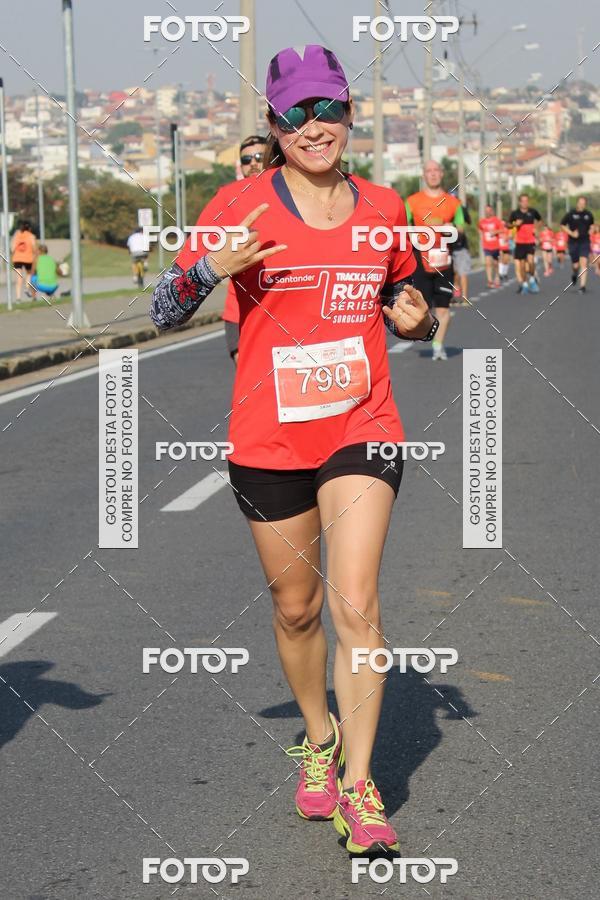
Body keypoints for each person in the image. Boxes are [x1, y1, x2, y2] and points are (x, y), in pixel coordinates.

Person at [150, 44, 438, 855]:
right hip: (269, 437)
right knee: (297, 607)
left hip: (363, 429)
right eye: (295, 115)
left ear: (350, 112)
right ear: (275, 126)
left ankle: (360, 789)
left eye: (328, 110)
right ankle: (319, 735)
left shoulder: (383, 206)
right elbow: (163, 311)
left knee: (355, 605)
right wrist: (212, 266)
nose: (315, 128)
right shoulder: (238, 205)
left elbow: (407, 297)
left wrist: (416, 321)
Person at [406, 160, 464, 360]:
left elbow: (461, 228)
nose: (432, 174)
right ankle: (427, 333)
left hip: (443, 261)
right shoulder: (412, 201)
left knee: (443, 307)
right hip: (419, 261)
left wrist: (449, 228)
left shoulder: (453, 202)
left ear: (441, 174)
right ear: (423, 175)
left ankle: (438, 345)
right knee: (422, 307)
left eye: (436, 170)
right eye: (428, 171)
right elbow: (403, 226)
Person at [223, 135, 268, 364]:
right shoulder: (229, 200)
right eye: (246, 159)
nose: (253, 163)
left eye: (259, 156)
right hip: (239, 311)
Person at [508, 193, 541, 294]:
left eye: (526, 201)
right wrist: (515, 224)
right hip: (520, 242)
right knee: (521, 265)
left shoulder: (533, 212)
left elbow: (539, 220)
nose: (525, 203)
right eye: (523, 201)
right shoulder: (515, 213)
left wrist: (536, 228)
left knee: (531, 262)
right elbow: (509, 225)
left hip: (530, 241)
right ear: (520, 202)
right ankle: (525, 284)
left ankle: (531, 278)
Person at [561, 196, 594, 294]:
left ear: (585, 204)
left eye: (584, 203)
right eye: (580, 203)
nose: (582, 205)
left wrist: (591, 231)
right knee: (575, 265)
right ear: (577, 203)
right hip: (573, 242)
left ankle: (582, 286)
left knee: (583, 263)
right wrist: (571, 233)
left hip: (584, 241)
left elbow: (592, 226)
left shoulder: (588, 214)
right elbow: (562, 225)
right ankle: (575, 273)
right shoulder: (571, 214)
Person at [11, 220, 37, 301]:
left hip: (17, 258)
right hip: (28, 258)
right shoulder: (31, 236)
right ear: (29, 228)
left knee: (18, 277)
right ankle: (26, 287)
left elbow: (12, 249)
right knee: (29, 274)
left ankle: (18, 298)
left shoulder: (17, 235)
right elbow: (34, 249)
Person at [450, 202, 472, 302]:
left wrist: (455, 226)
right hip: (447, 247)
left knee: (462, 272)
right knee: (453, 273)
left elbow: (468, 222)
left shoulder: (461, 209)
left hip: (460, 247)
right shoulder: (439, 208)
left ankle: (465, 297)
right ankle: (454, 293)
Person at [478, 204, 503, 288]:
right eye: (486, 211)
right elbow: (480, 229)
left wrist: (495, 232)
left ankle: (497, 276)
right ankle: (490, 281)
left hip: (495, 246)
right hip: (486, 245)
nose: (487, 212)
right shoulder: (482, 221)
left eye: (489, 210)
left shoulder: (496, 220)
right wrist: (481, 237)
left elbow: (502, 229)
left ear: (492, 211)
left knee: (495, 263)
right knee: (488, 263)